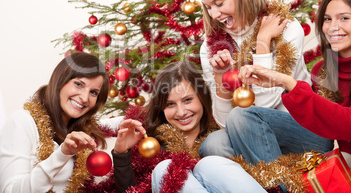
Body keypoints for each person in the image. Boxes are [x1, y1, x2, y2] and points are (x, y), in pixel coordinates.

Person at [235, 0, 351, 192]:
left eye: (344, 18)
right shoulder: (325, 68)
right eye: (327, 19)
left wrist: (289, 83)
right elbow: (321, 117)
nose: (332, 27)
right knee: (240, 119)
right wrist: (281, 84)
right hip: (348, 157)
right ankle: (283, 187)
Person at [197, 0, 333, 158]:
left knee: (241, 118)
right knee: (213, 145)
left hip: (304, 128)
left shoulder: (284, 27)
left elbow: (265, 104)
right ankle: (274, 184)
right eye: (208, 7)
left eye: (219, 3)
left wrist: (263, 41)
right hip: (246, 130)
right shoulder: (210, 48)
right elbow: (224, 123)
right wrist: (221, 80)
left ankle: (275, 185)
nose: (215, 14)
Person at [100, 60, 267, 193]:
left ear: (202, 97)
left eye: (188, 100)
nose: (181, 112)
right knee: (165, 169)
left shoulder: (221, 139)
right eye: (170, 104)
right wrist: (122, 154)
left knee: (209, 164)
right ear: (161, 108)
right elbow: (132, 191)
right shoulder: (149, 144)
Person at [0, 52, 110, 193]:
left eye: (93, 92)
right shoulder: (22, 122)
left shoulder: (81, 131)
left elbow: (112, 123)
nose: (84, 98)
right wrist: (61, 155)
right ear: (60, 80)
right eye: (78, 84)